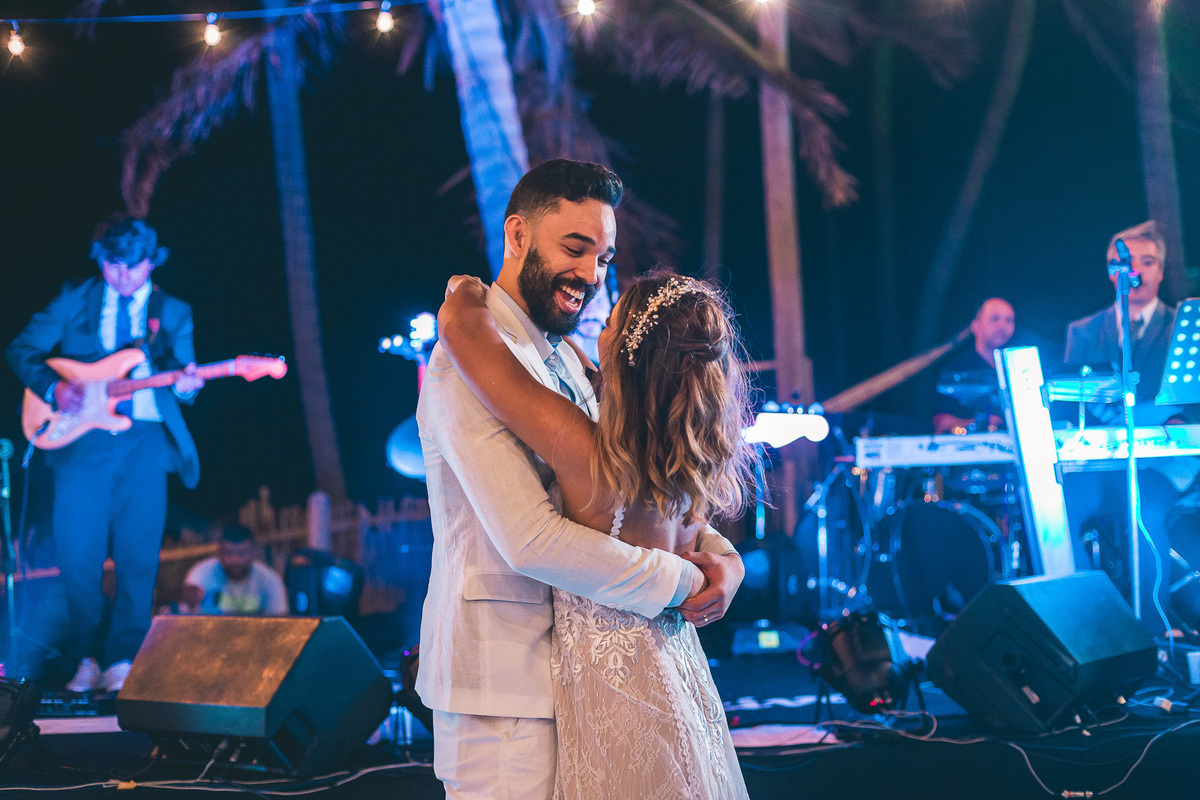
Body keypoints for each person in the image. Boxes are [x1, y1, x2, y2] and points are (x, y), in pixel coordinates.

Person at [415, 159, 745, 800]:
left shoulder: (567, 356)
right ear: (517, 236)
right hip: (505, 691)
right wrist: (687, 578)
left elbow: (638, 483)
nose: (591, 276)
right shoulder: (465, 366)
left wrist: (725, 561)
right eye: (575, 248)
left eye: (604, 257)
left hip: (585, 677)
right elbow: (532, 540)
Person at [6, 217, 204, 693]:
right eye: (114, 265)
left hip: (145, 441)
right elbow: (22, 348)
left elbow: (184, 375)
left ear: (150, 264)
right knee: (79, 556)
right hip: (81, 441)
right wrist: (54, 387)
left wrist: (190, 385)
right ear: (103, 261)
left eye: (134, 267)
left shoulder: (172, 311)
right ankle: (87, 655)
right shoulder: (76, 298)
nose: (123, 276)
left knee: (138, 556)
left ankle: (122, 658)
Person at [1061, 220, 1197, 634]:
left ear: (1160, 270)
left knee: (1143, 511)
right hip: (1102, 463)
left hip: (1165, 464)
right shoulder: (1083, 331)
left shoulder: (1184, 327)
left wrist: (1174, 417)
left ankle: (1154, 632)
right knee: (1060, 511)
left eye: (1147, 261)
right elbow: (1067, 404)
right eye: (1125, 262)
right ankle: (1088, 621)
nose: (1135, 271)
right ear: (1110, 270)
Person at [932, 297, 1016, 434]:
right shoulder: (956, 369)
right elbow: (940, 420)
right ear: (975, 325)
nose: (1002, 325)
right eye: (995, 318)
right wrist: (978, 423)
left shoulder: (1016, 369)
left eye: (1009, 320)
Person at [178, 526, 289, 616]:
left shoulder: (269, 579)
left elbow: (280, 619)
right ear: (219, 553)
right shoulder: (202, 572)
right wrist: (190, 599)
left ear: (254, 552)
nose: (235, 560)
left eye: (241, 553)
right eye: (229, 553)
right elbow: (185, 612)